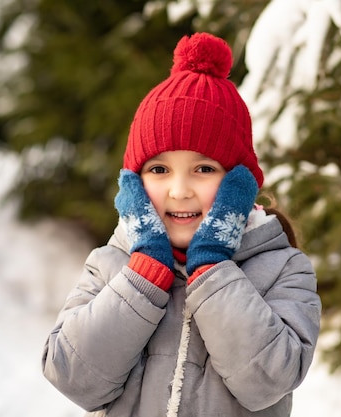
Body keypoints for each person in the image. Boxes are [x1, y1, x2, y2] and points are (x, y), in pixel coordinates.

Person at [42, 32, 321, 417]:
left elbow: (268, 381)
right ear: (134, 184)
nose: (179, 190)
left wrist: (212, 267)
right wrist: (142, 276)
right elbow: (71, 374)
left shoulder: (283, 268)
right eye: (159, 169)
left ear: (238, 184)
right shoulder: (111, 262)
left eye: (203, 169)